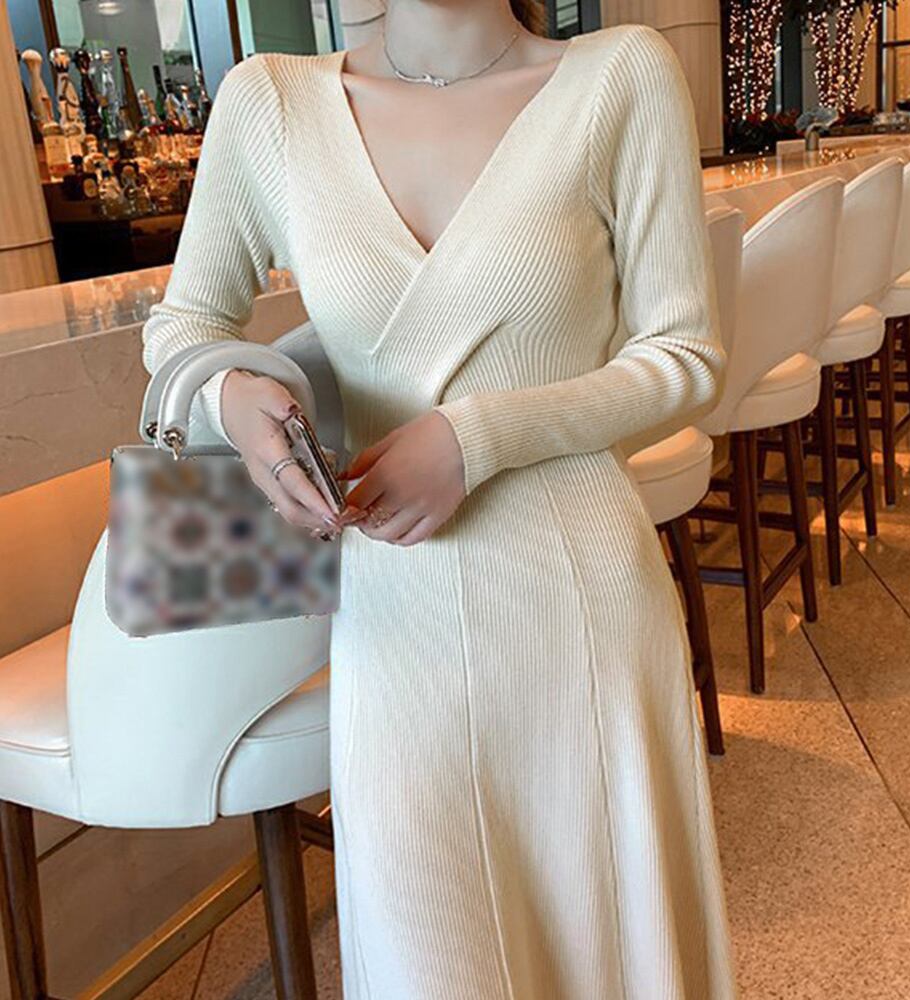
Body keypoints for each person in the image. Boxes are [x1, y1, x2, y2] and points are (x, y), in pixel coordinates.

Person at [141, 0, 737, 995]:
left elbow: (684, 356)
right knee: (426, 947)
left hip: (577, 597)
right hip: (394, 610)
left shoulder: (618, 75)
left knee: (607, 943)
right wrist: (233, 395)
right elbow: (184, 324)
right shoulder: (271, 102)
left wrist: (480, 435)